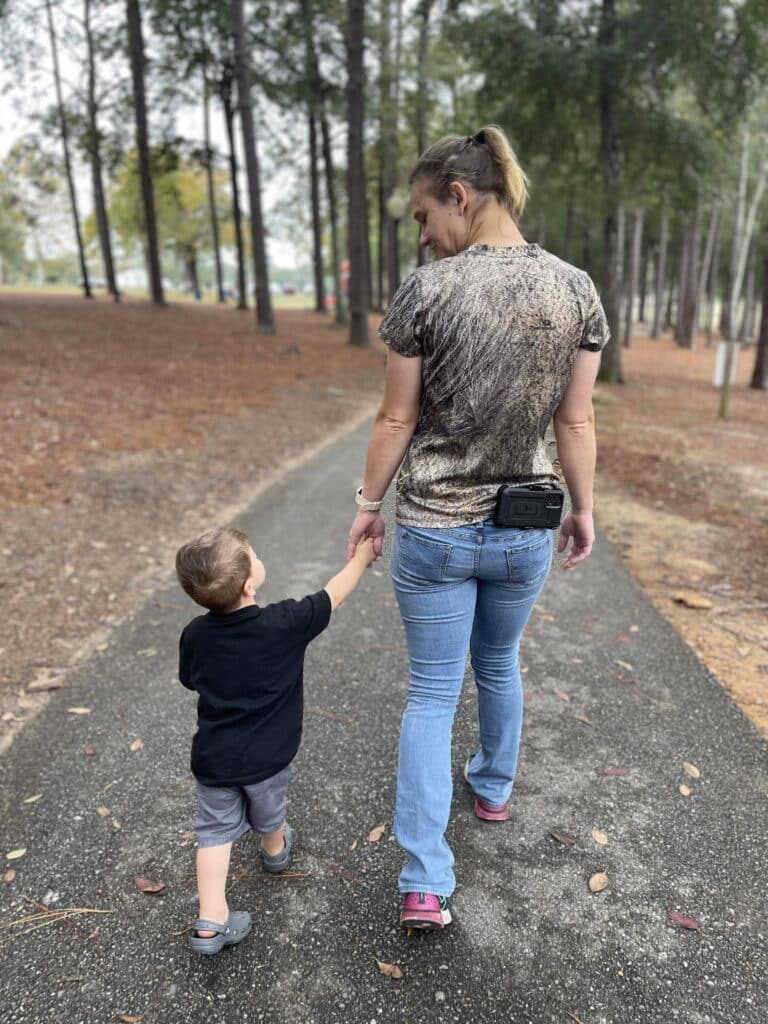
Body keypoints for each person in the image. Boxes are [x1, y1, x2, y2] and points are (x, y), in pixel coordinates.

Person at [347, 125, 609, 931]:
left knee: (432, 692)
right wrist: (583, 507)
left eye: (425, 215)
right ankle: (492, 790)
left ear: (460, 196)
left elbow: (397, 417)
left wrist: (366, 503)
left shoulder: (426, 291)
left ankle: (426, 880)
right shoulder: (576, 291)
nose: (423, 235)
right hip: (524, 527)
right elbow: (577, 417)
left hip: (433, 527)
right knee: (499, 662)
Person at [175, 526, 376, 954]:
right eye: (254, 553)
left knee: (213, 832)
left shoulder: (195, 635)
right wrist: (361, 559)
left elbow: (190, 680)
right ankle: (274, 850)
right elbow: (331, 596)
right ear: (249, 583)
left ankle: (211, 921)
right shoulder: (284, 622)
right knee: (270, 808)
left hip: (213, 758)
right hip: (270, 755)